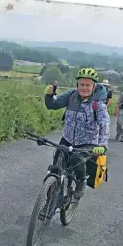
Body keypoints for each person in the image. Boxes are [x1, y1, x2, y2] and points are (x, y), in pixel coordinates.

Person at [44, 68, 110, 200]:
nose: (84, 88)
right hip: (67, 138)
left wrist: (102, 145)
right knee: (55, 168)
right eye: (81, 84)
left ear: (93, 86)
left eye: (88, 85)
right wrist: (50, 96)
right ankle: (49, 200)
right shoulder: (71, 96)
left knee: (75, 159)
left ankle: (81, 182)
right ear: (77, 85)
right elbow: (53, 105)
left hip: (88, 142)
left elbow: (104, 124)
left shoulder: (98, 104)